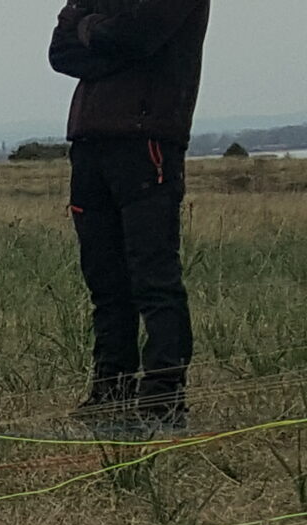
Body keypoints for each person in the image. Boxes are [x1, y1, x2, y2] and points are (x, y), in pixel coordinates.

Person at [51, 0, 210, 434]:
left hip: (148, 142)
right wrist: (109, 38)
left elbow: (138, 36)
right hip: (89, 145)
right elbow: (60, 52)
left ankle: (163, 403)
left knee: (153, 280)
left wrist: (90, 28)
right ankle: (111, 394)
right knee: (105, 282)